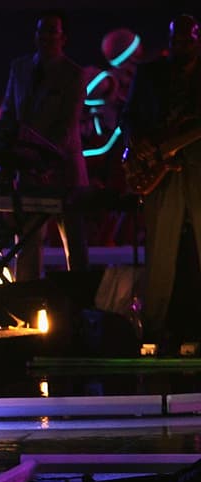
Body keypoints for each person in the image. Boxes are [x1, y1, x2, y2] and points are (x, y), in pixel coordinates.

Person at [121, 14, 201, 351]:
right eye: (175, 40)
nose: (180, 45)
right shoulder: (150, 73)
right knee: (160, 254)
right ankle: (153, 330)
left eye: (187, 39)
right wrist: (138, 141)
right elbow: (128, 116)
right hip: (160, 172)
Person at [0, 10, 89, 283]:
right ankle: (25, 303)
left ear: (64, 38)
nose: (47, 37)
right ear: (35, 36)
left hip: (63, 171)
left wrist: (43, 158)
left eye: (53, 31)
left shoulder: (73, 74)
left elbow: (67, 125)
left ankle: (79, 304)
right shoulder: (20, 67)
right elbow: (8, 111)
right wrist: (8, 155)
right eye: (43, 31)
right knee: (27, 241)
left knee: (73, 239)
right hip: (27, 169)